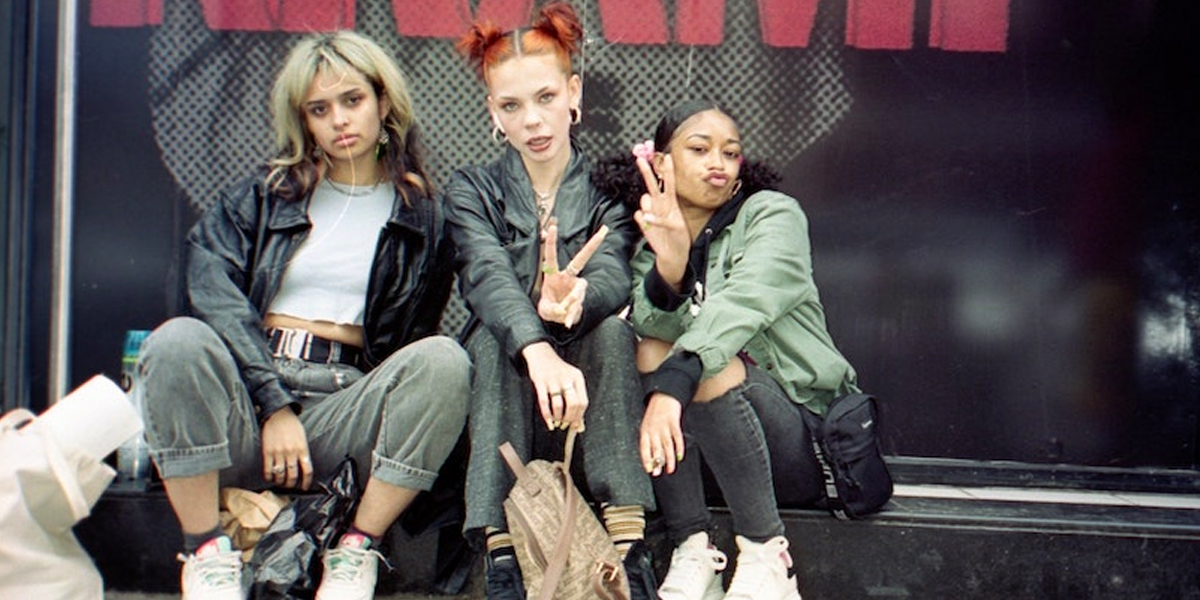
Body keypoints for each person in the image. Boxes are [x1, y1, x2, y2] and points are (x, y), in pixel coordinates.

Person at [137, 31, 470, 600]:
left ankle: (356, 549)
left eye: (352, 100)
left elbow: (462, 306)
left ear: (383, 102)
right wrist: (274, 405)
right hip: (251, 401)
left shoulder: (425, 215)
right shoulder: (265, 196)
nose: (339, 120)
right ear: (304, 120)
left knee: (445, 360)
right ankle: (206, 553)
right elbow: (210, 289)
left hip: (345, 411)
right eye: (320, 109)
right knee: (175, 342)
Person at [604, 100, 860, 600]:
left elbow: (744, 304)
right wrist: (672, 266)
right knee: (652, 348)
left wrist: (675, 385)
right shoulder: (651, 240)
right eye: (699, 150)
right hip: (709, 456)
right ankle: (694, 547)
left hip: (801, 442)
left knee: (705, 366)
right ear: (662, 163)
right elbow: (653, 326)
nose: (718, 163)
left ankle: (768, 555)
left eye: (731, 152)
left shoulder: (773, 215)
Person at [445, 3, 656, 598]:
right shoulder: (472, 190)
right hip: (508, 401)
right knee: (493, 336)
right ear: (493, 113)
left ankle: (628, 543)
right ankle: (501, 554)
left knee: (614, 331)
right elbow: (485, 277)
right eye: (511, 106)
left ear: (573, 92)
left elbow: (616, 274)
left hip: (592, 409)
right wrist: (538, 346)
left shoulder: (610, 188)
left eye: (544, 98)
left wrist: (580, 296)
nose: (532, 120)